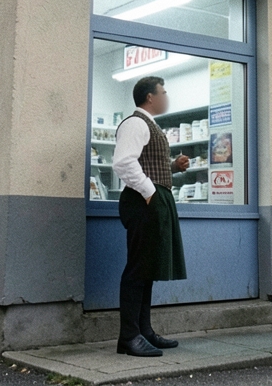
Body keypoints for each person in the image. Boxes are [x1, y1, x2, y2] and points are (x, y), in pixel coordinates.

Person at [112, 76, 192, 357]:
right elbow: (123, 162)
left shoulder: (149, 124)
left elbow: (147, 164)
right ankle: (129, 337)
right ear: (150, 97)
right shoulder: (135, 123)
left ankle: (143, 331)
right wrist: (150, 192)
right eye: (163, 92)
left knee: (147, 270)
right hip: (142, 202)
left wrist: (173, 167)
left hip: (150, 200)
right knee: (138, 269)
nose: (166, 96)